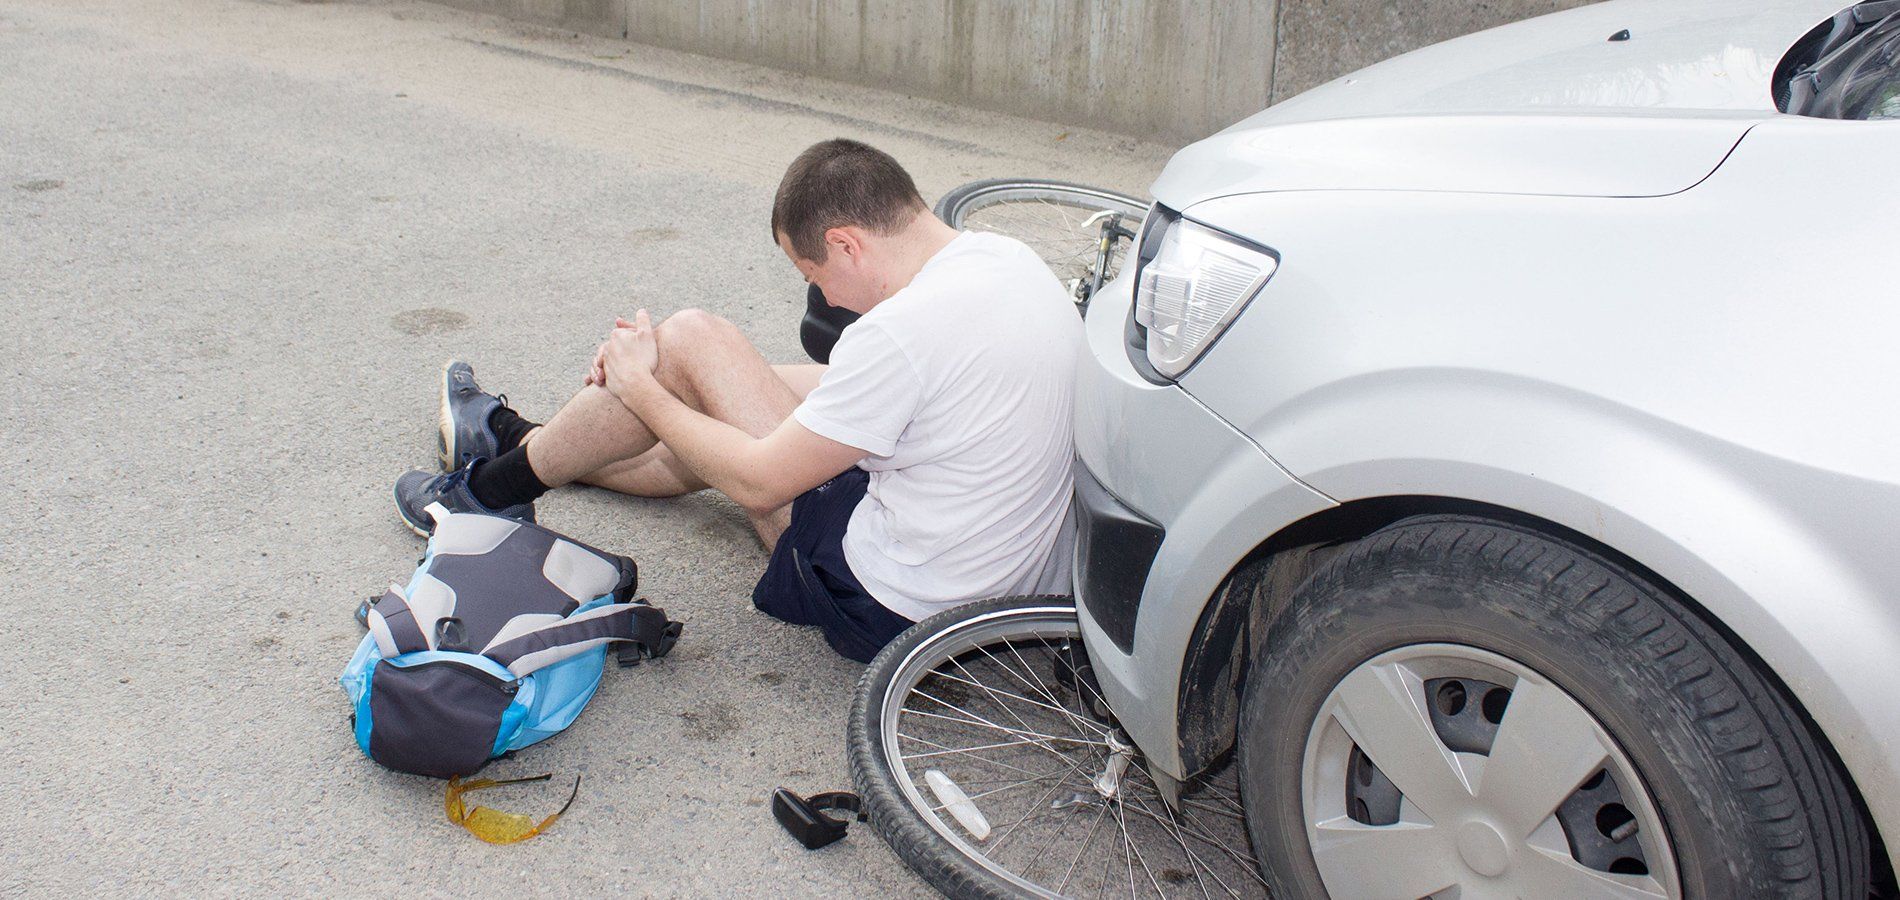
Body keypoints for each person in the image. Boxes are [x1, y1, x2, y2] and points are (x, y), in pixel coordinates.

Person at [393, 138, 1082, 662]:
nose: (825, 299)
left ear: (846, 244)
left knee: (690, 342)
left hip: (892, 606)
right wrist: (689, 390)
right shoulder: (1006, 261)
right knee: (703, 388)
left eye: (813, 275)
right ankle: (526, 441)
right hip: (1000, 585)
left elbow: (755, 480)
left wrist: (641, 384)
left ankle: (486, 487)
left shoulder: (901, 336)